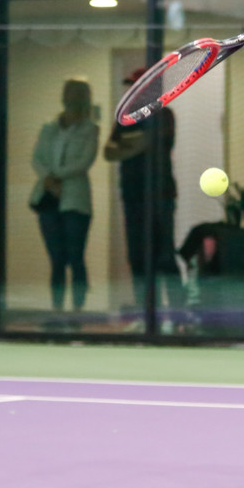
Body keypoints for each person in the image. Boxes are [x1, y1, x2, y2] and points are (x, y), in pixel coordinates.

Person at [104, 68, 183, 313]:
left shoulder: (164, 115)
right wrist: (137, 144)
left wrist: (128, 146)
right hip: (133, 196)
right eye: (130, 85)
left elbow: (145, 142)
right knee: (137, 258)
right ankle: (145, 313)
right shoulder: (125, 119)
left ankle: (179, 315)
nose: (131, 90)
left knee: (164, 257)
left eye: (135, 85)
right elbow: (109, 152)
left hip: (161, 196)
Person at [30, 78, 99, 313]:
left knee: (75, 256)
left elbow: (84, 161)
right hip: (48, 198)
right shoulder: (48, 129)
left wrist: (56, 176)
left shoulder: (90, 129)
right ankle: (57, 309)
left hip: (75, 200)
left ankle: (78, 310)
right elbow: (37, 158)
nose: (73, 99)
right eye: (70, 93)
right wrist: (47, 178)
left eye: (79, 94)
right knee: (56, 259)